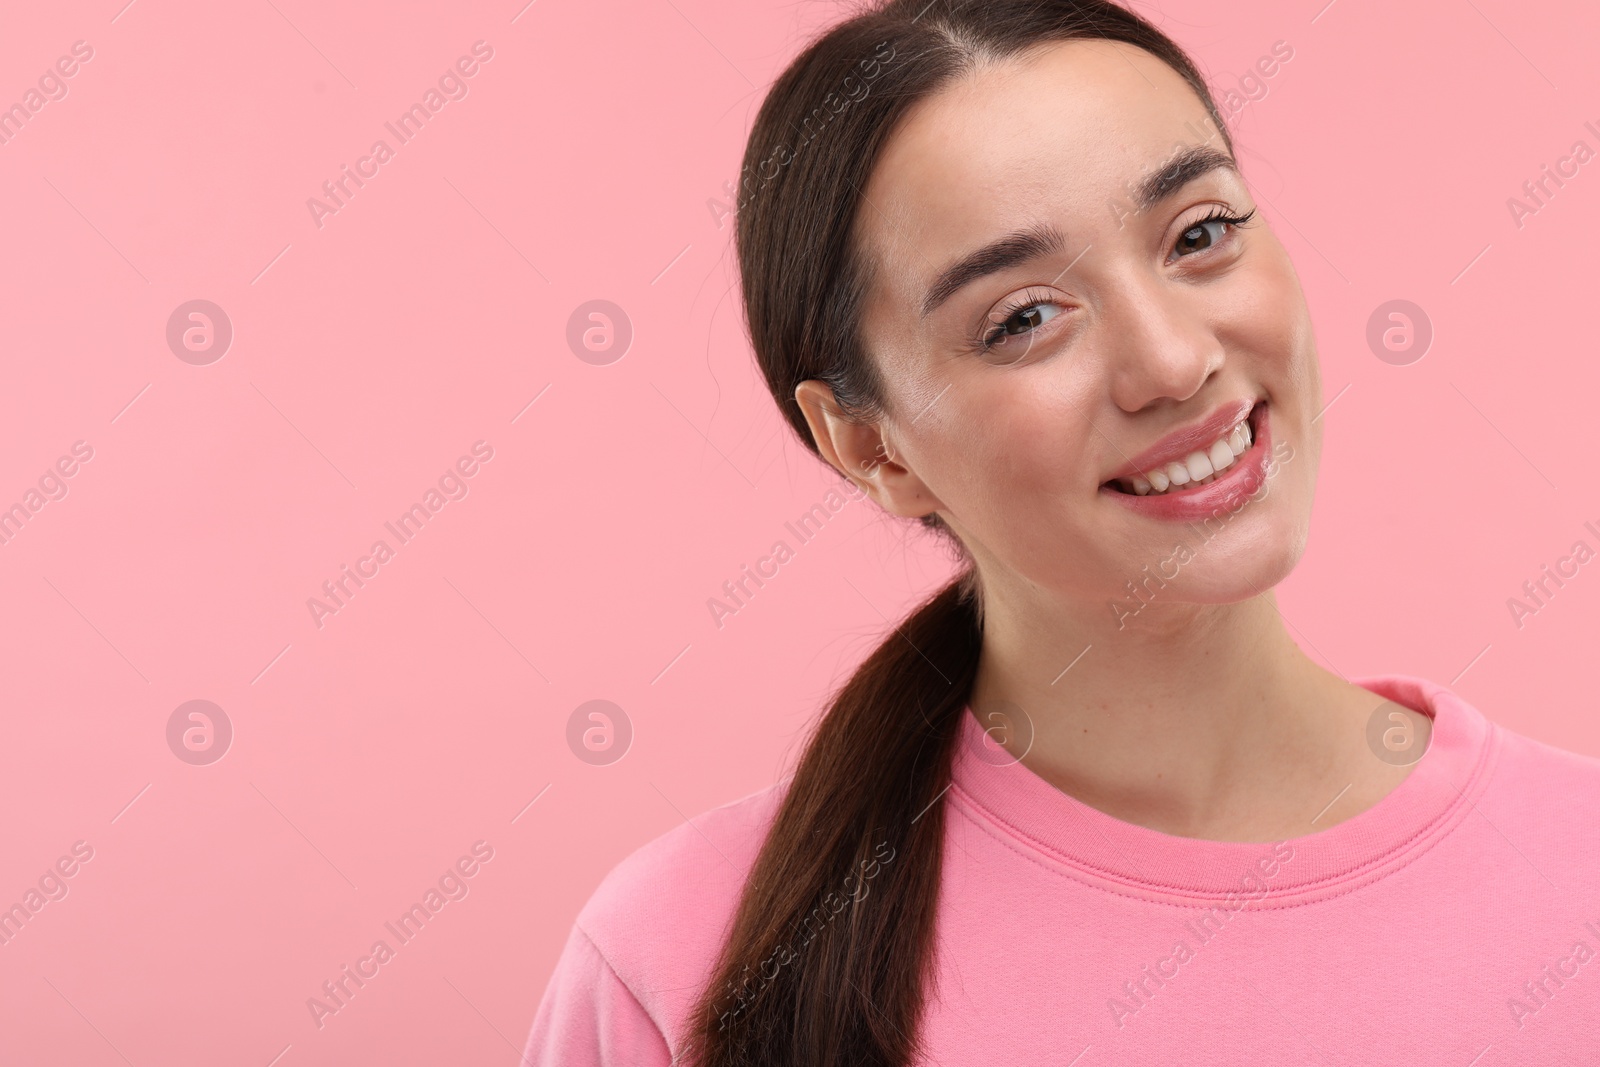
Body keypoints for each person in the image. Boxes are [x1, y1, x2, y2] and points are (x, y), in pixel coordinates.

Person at [523, 1, 1600, 1062]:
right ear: (870, 445)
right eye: (1023, 318)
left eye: (1199, 234)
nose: (1173, 361)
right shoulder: (678, 963)